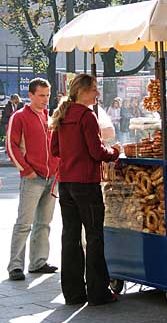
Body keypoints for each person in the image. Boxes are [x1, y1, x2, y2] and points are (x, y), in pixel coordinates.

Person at [50, 74, 120, 306]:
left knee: (70, 237)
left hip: (66, 182)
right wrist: (115, 152)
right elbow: (97, 152)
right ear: (81, 91)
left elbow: (55, 149)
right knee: (94, 236)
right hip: (86, 183)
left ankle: (73, 293)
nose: (97, 94)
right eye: (93, 90)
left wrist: (72, 154)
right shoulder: (87, 116)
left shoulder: (63, 114)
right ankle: (98, 293)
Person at [6, 78, 59, 281]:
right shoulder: (19, 116)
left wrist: (57, 168)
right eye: (41, 95)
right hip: (32, 177)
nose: (45, 99)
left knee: (44, 223)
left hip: (51, 176)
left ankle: (38, 262)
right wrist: (26, 171)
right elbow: (11, 147)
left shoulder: (49, 116)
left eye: (47, 95)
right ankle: (15, 266)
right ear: (30, 95)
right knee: (24, 223)